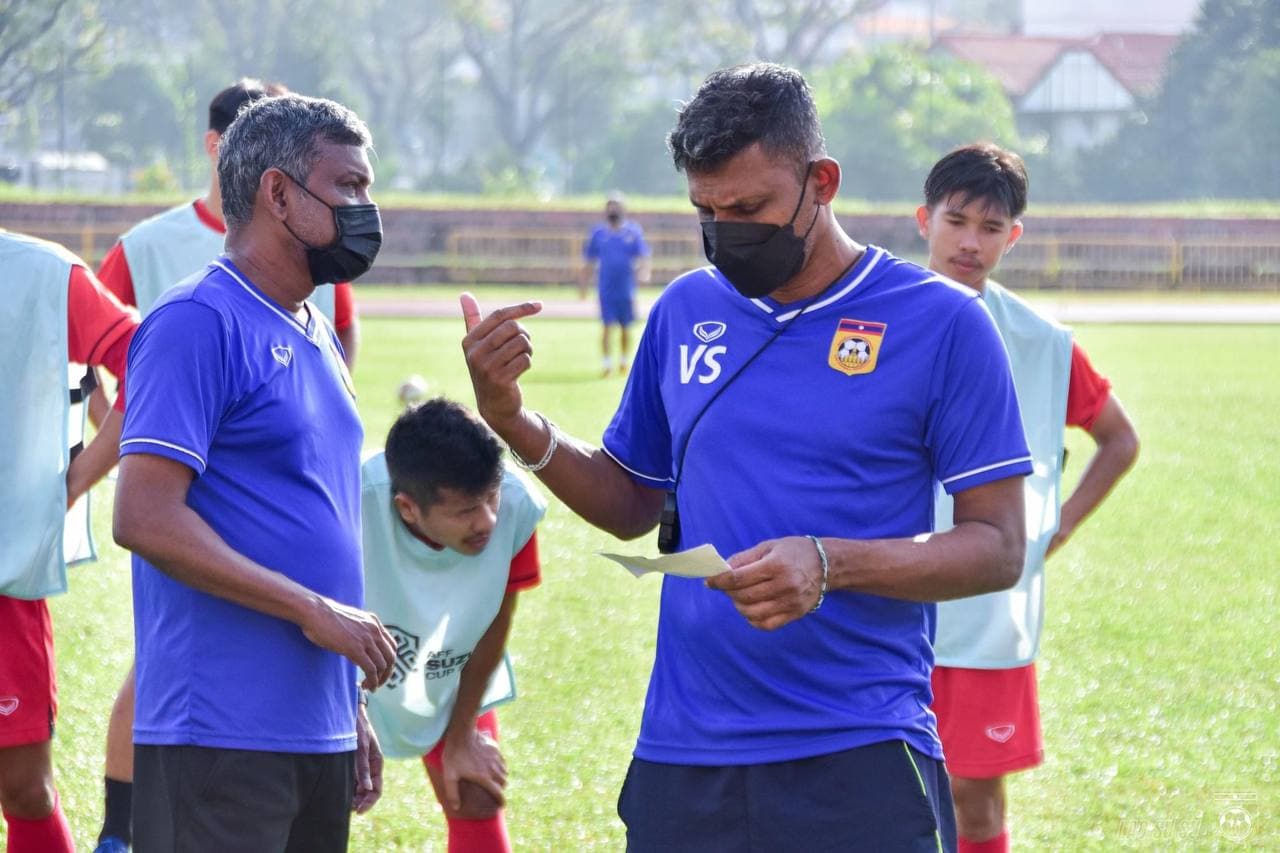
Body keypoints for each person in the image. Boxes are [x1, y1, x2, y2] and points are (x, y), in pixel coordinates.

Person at [461, 63, 1033, 852]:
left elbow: (999, 547)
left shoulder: (942, 324)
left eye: (751, 207)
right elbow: (631, 500)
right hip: (685, 752)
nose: (727, 230)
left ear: (820, 181)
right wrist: (515, 419)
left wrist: (830, 563)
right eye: (707, 210)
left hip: (857, 746)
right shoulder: (687, 310)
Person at [112, 94, 396, 853]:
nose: (367, 209)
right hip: (219, 734)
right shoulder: (197, 320)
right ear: (278, 193)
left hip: (314, 729)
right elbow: (142, 516)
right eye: (350, 188)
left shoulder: (315, 329)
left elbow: (311, 521)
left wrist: (348, 704)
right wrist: (312, 608)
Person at [917, 143, 1140, 853]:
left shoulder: (1043, 344)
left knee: (973, 800)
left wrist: (1058, 526)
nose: (970, 242)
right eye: (957, 221)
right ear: (926, 220)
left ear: (1013, 236)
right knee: (880, 793)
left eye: (990, 228)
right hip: (886, 597)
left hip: (988, 614)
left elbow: (1119, 438)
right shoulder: (876, 317)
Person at [88, 79, 361, 426]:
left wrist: (333, 408)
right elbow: (84, 345)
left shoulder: (317, 237)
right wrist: (116, 438)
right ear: (215, 145)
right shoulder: (145, 246)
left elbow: (344, 324)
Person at [0, 228, 139, 853]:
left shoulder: (44, 273)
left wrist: (72, 483)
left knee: (23, 788)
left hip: (4, 583)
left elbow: (151, 362)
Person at [362, 398, 546, 853]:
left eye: (491, 496)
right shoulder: (351, 501)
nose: (487, 520)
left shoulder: (517, 507)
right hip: (351, 675)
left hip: (449, 670)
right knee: (320, 795)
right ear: (407, 508)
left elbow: (494, 622)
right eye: (465, 510)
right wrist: (346, 711)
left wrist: (464, 734)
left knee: (475, 791)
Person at [581, 193, 650, 375]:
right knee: (606, 325)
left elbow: (643, 255)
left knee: (626, 326)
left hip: (626, 288)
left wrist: (644, 272)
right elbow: (589, 260)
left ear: (623, 209)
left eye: (616, 207)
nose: (613, 210)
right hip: (606, 287)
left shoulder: (633, 232)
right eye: (610, 207)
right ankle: (606, 363)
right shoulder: (598, 233)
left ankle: (624, 361)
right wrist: (584, 285)